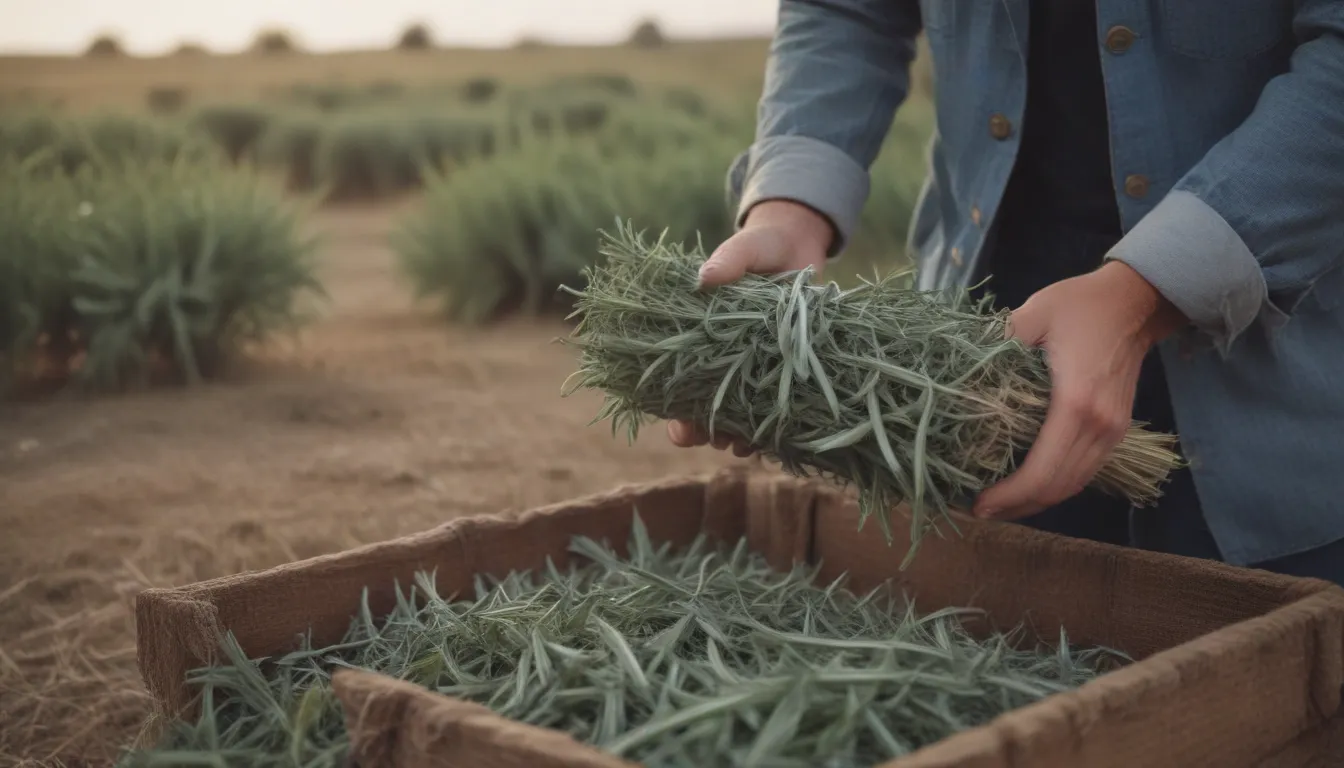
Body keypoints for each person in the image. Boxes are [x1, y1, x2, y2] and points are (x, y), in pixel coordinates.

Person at [666, 1, 1344, 586]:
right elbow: (847, 10)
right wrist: (790, 209)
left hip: (1279, 375)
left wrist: (1142, 298)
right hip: (978, 363)